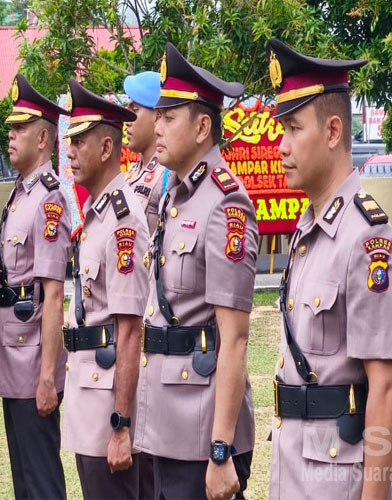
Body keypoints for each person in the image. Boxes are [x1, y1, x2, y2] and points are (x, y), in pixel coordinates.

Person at [265, 39, 392, 499]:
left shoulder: (367, 239)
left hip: (337, 481)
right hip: (293, 467)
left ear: (332, 132)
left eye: (294, 129)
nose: (282, 146)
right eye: (282, 130)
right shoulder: (308, 230)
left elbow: (386, 387)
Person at [132, 42, 258, 500]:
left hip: (202, 432)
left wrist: (221, 449)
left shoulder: (225, 204)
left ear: (203, 127)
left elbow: (235, 338)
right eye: (158, 116)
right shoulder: (175, 195)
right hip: (166, 422)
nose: (156, 127)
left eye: (169, 117)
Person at [62, 77, 149, 499]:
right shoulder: (98, 214)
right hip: (88, 396)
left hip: (108, 409)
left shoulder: (123, 219)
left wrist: (121, 425)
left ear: (106, 148)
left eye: (80, 141)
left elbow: (130, 330)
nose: (70, 151)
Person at [0, 73, 71, 499]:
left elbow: (52, 295)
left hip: (32, 361)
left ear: (42, 139)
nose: (11, 135)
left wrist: (47, 377)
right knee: (24, 479)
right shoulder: (22, 193)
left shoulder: (48, 198)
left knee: (40, 481)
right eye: (11, 127)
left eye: (20, 128)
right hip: (12, 355)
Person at [123, 70, 167, 235]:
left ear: (157, 116)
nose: (127, 121)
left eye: (134, 111)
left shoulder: (168, 175)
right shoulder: (133, 170)